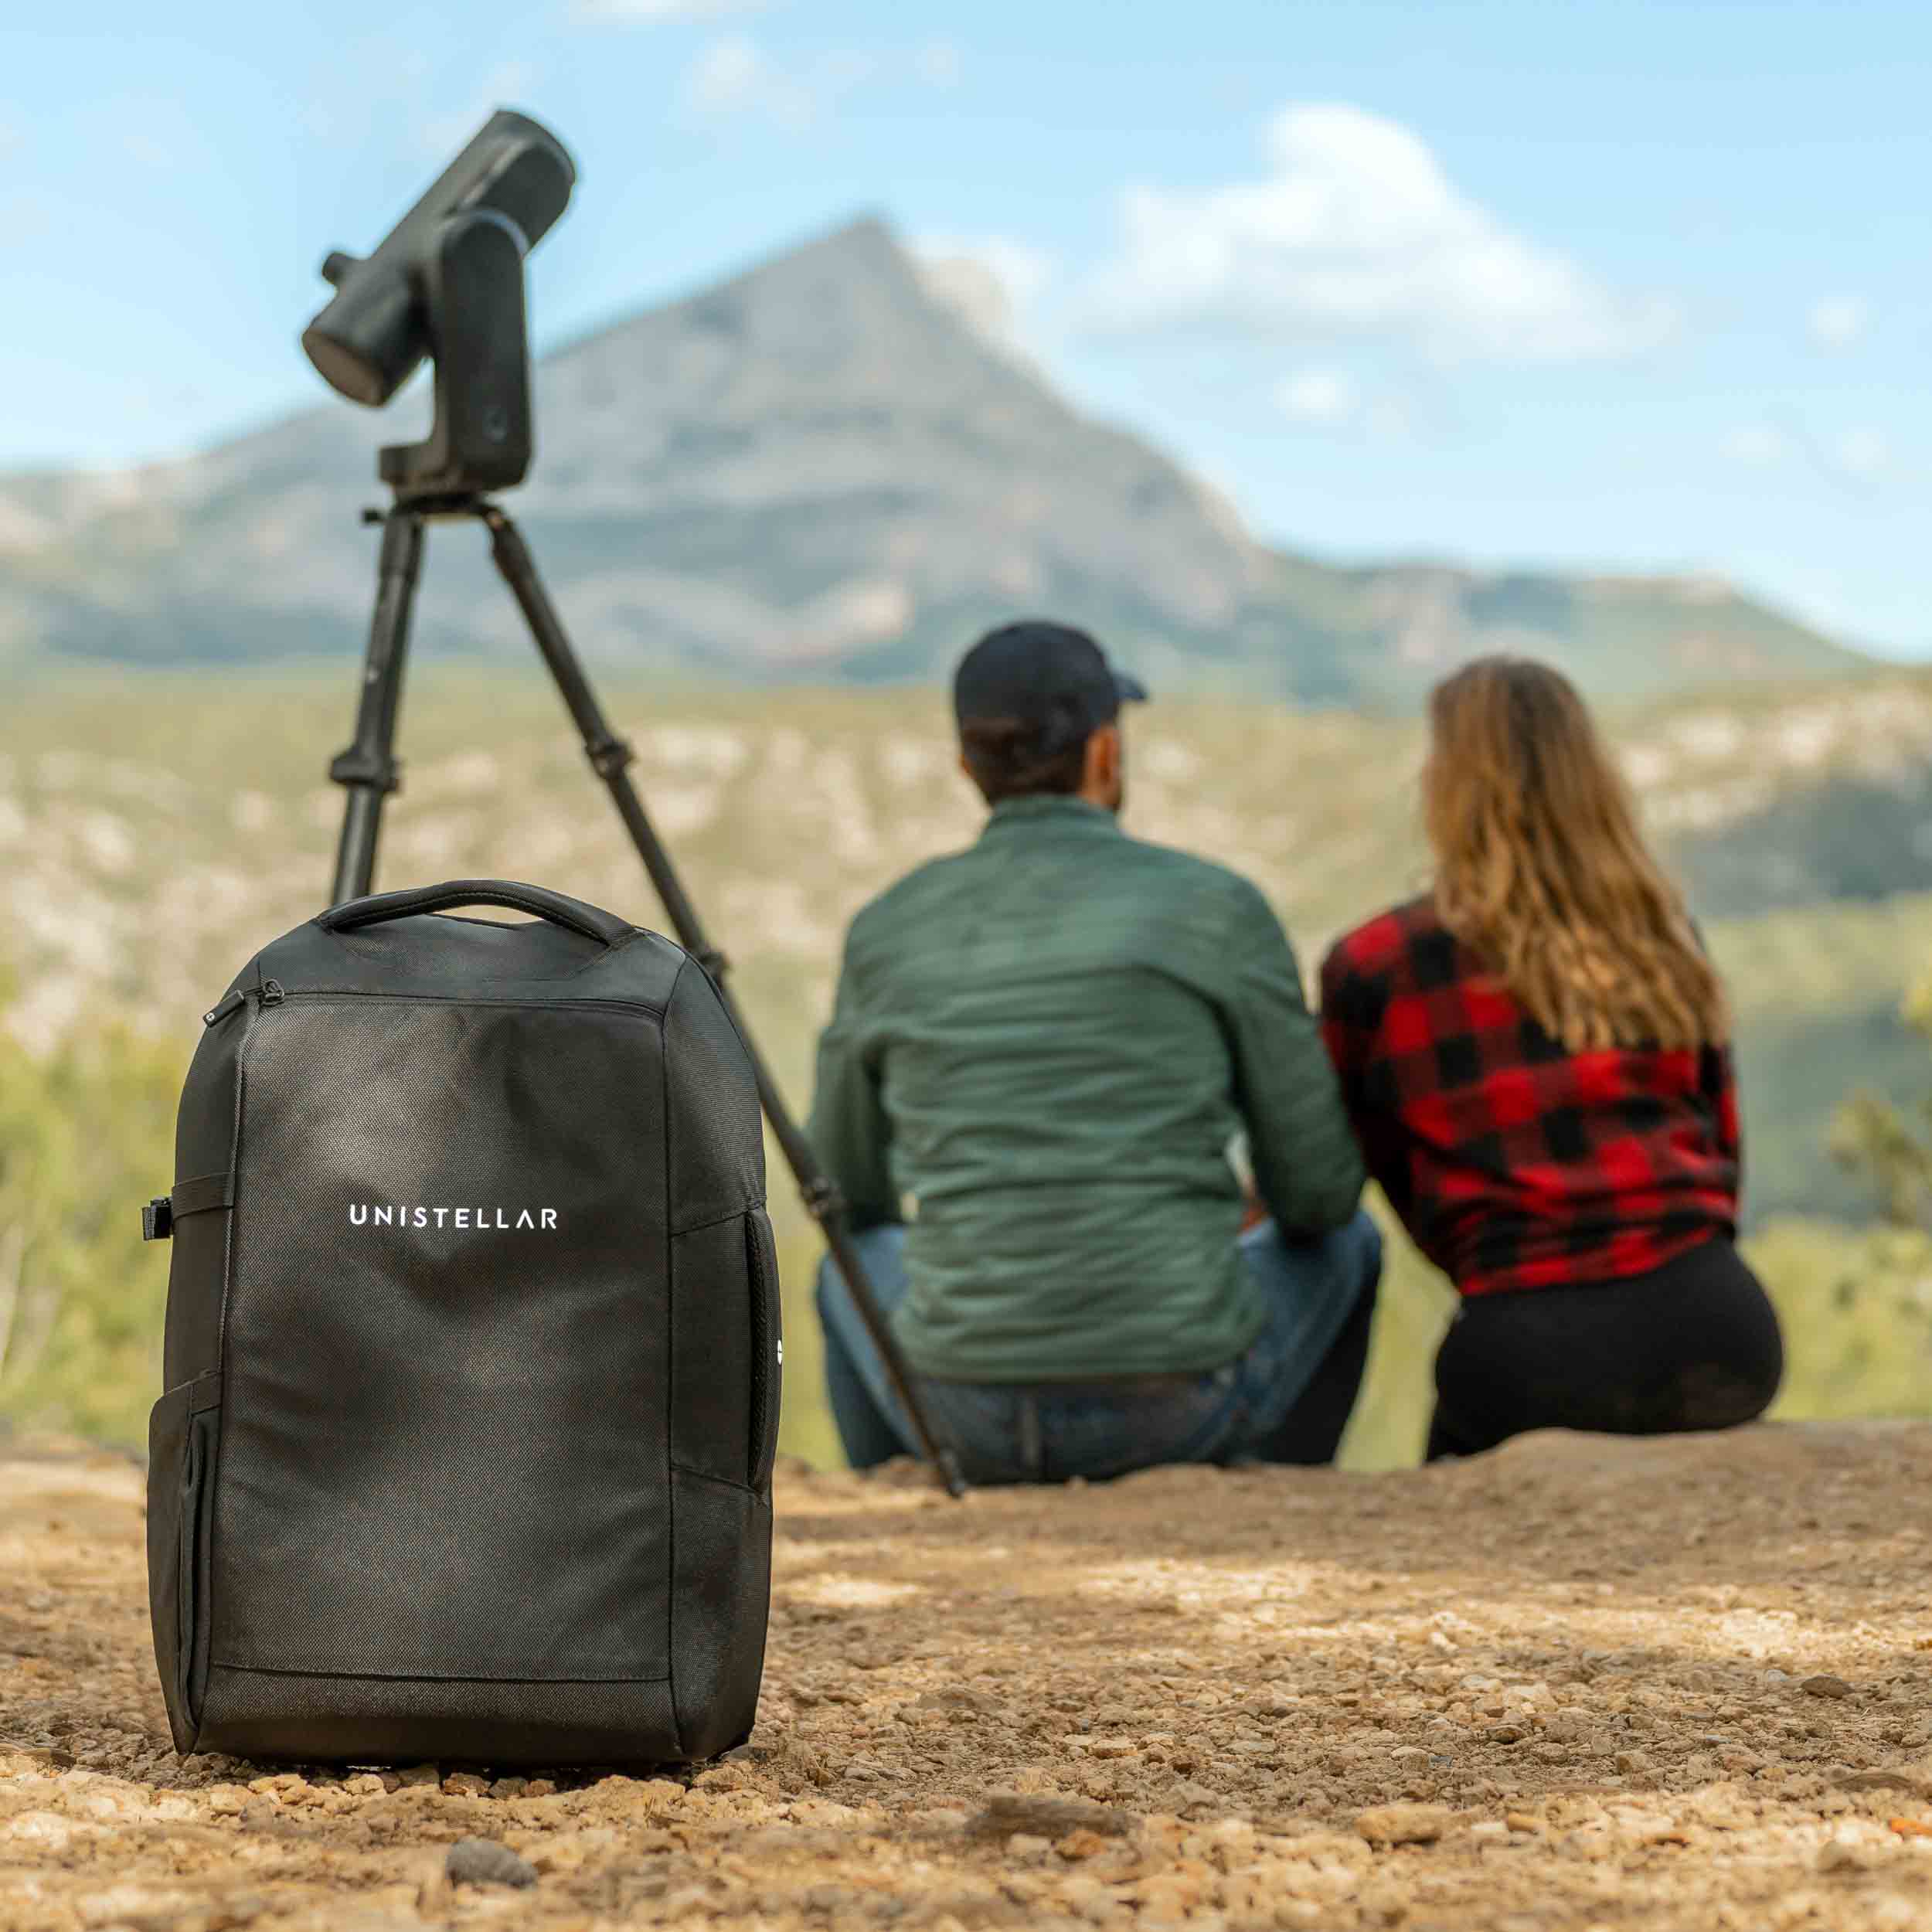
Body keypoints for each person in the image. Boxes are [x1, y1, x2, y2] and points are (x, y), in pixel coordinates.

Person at [808, 619, 1381, 1484]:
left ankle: (904, 1496)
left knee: (846, 1265)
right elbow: (1320, 1195)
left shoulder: (885, 928)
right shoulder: (1216, 907)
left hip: (962, 1415)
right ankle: (1278, 1487)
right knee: (1350, 1244)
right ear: (1105, 751)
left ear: (967, 765)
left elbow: (846, 1191)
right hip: (1181, 1408)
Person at [1318, 655, 1784, 1461]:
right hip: (1718, 1330)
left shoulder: (1377, 964)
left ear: (1447, 783)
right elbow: (1722, 1146)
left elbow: (1357, 1171)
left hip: (1526, 1344)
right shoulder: (1664, 937)